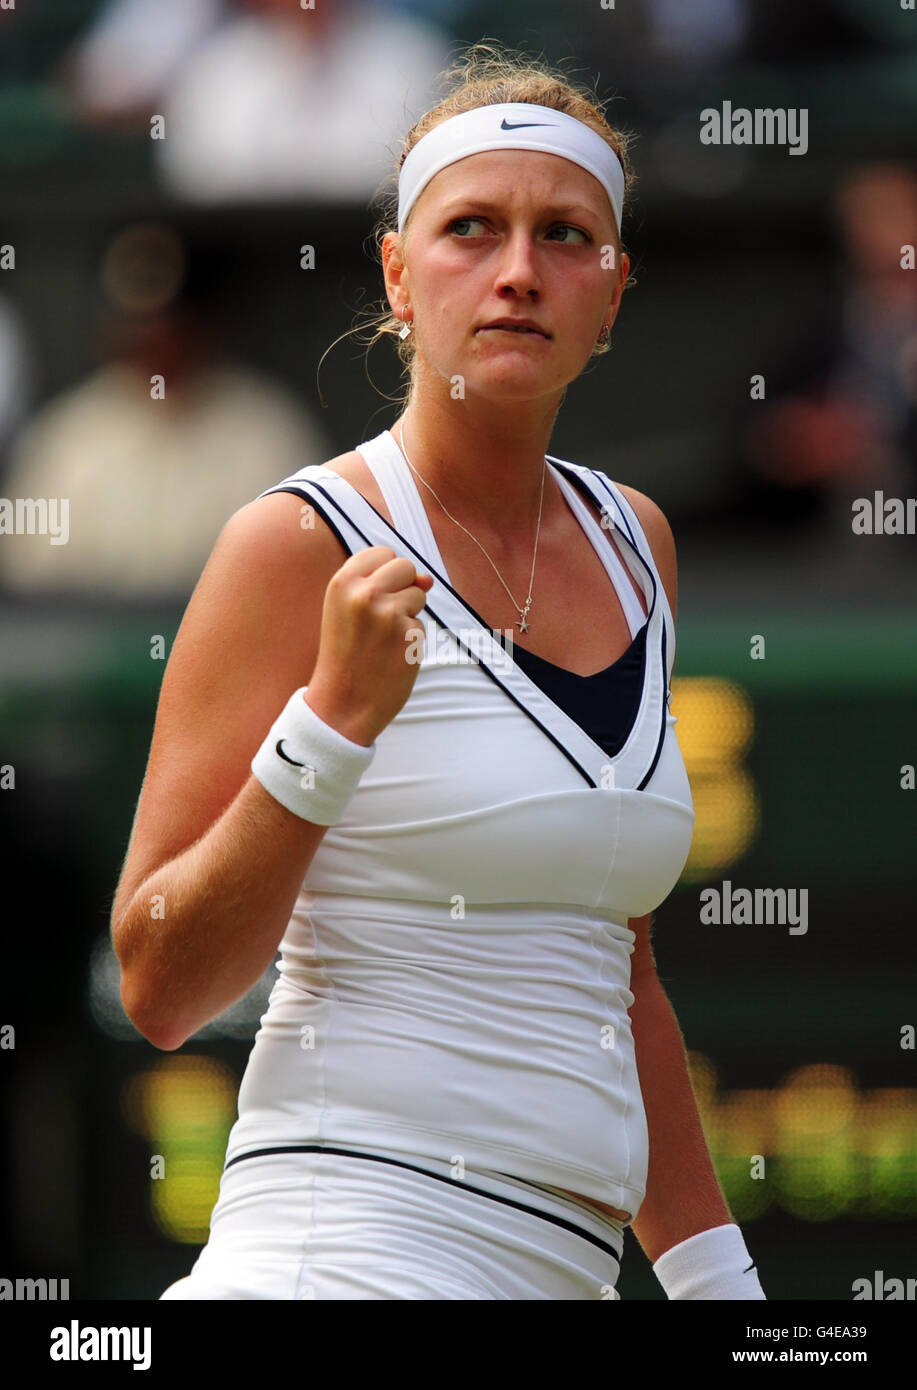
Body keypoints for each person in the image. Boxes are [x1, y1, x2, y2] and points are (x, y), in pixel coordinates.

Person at [111, 43, 767, 1300]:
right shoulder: (293, 542)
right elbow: (157, 984)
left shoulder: (640, 547)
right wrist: (329, 727)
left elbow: (616, 978)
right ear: (399, 278)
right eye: (472, 228)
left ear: (614, 291)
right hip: (330, 1259)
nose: (519, 271)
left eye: (565, 235)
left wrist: (718, 1292)